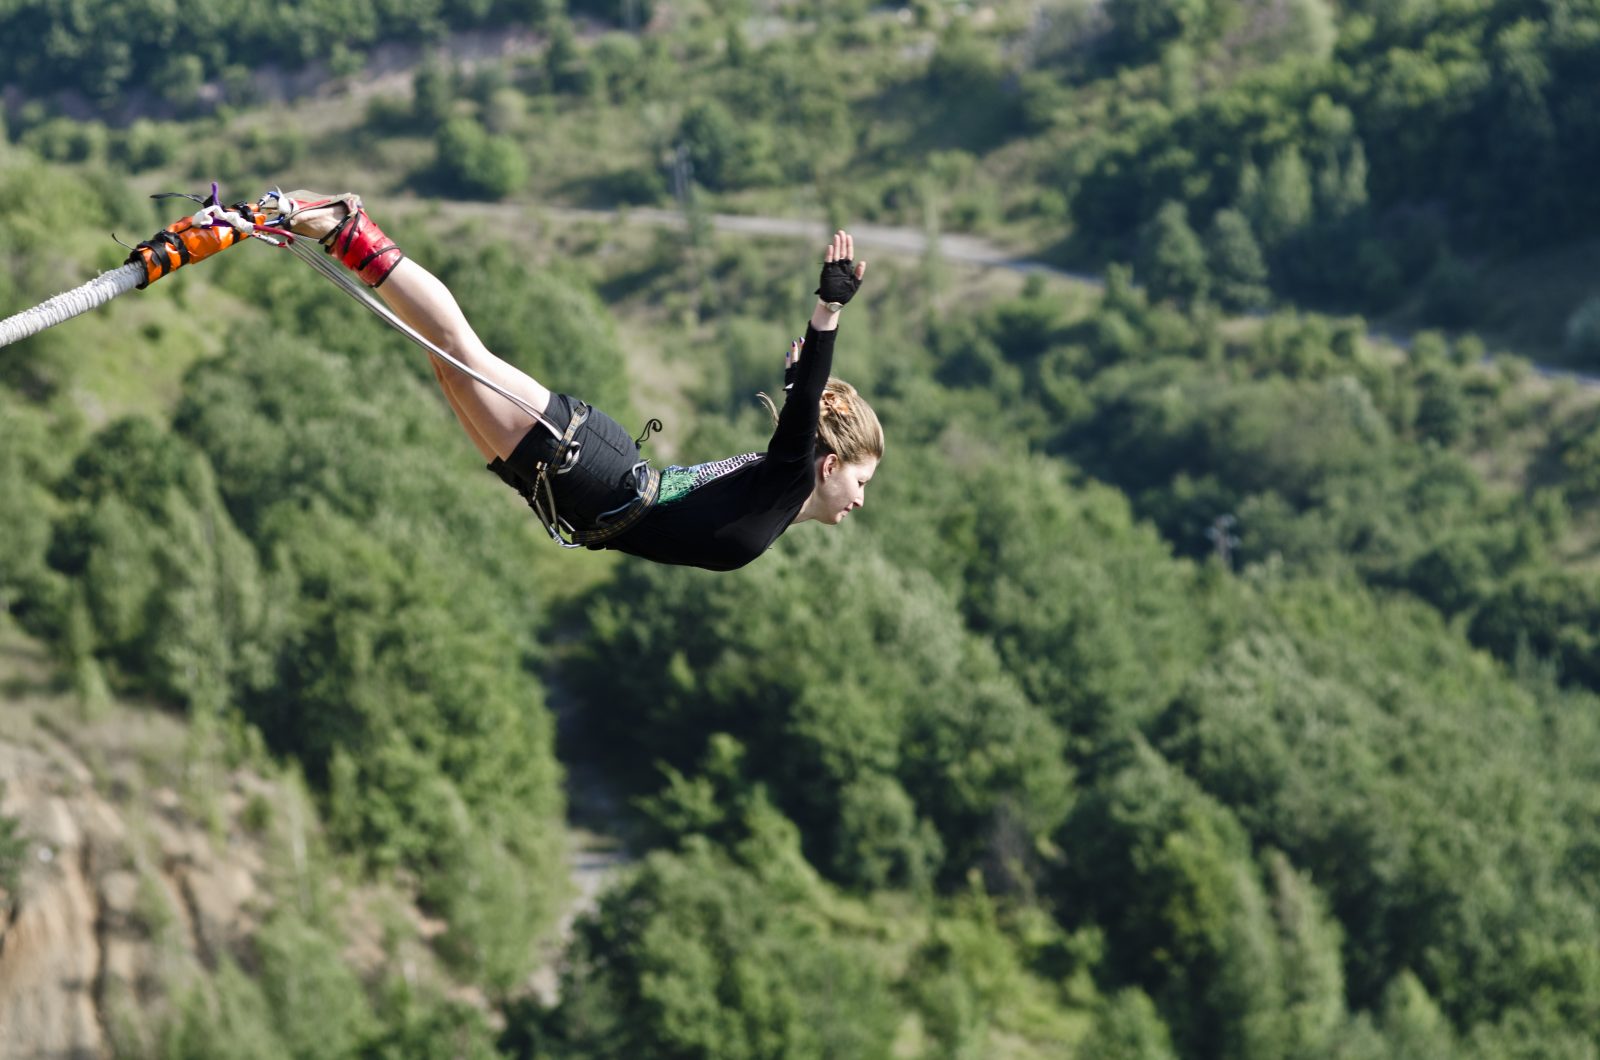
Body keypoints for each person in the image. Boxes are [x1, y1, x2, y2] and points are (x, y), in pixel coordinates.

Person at [280, 192, 882, 572]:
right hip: (592, 471)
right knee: (458, 349)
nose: (860, 500)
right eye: (861, 480)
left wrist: (796, 382)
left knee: (444, 361)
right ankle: (344, 228)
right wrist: (827, 314)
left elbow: (794, 421)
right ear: (829, 466)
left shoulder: (775, 494)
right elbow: (803, 420)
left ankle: (307, 218)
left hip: (573, 494)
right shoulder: (790, 479)